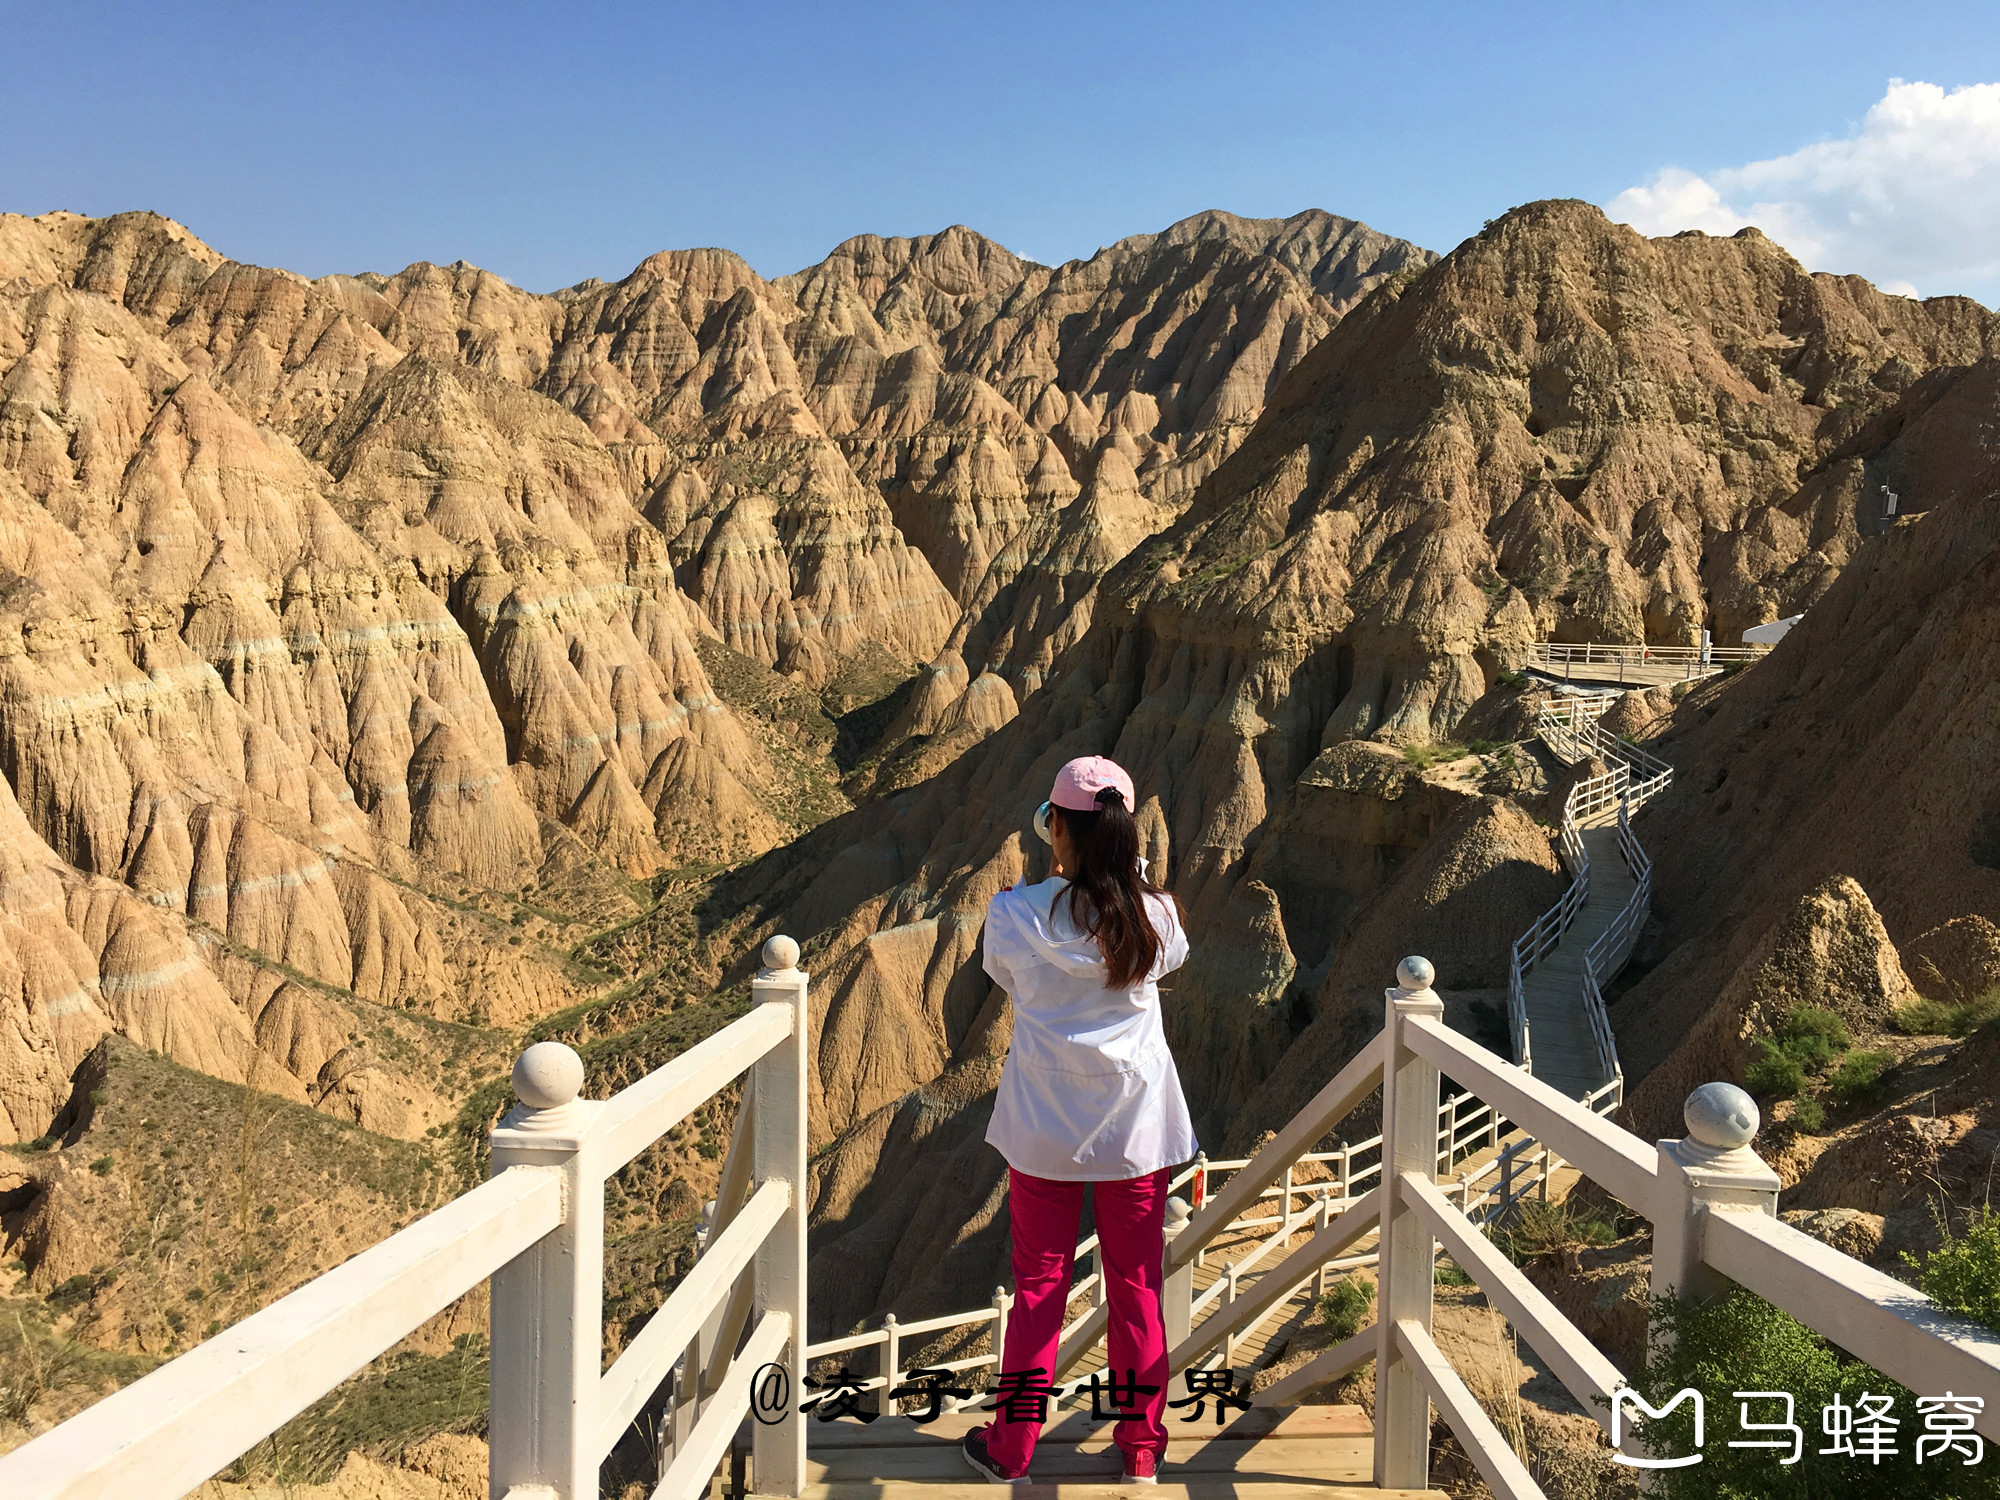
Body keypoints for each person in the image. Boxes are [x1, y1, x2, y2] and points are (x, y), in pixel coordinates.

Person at [961, 755, 1195, 1486]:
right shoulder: (1156, 916)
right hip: (1135, 1130)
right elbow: (1167, 953)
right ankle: (1141, 1451)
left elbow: (1006, 970)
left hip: (1044, 1128)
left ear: (1055, 828)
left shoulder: (1014, 914)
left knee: (1039, 1286)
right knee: (1135, 1284)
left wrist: (1061, 872)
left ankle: (1012, 1448)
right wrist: (1132, 877)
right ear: (1127, 837)